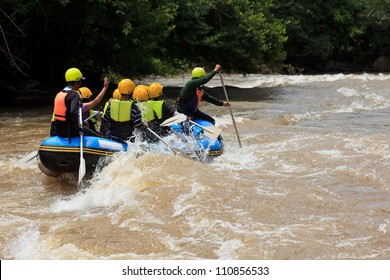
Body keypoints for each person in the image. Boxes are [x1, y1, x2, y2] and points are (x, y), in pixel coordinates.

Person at [50, 67, 85, 138]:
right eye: (80, 81)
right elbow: (73, 113)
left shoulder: (60, 93)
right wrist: (78, 128)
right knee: (88, 127)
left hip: (58, 130)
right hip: (69, 132)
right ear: (77, 82)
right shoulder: (75, 95)